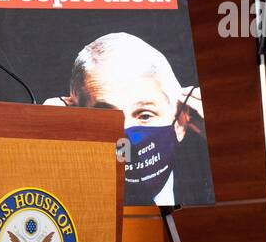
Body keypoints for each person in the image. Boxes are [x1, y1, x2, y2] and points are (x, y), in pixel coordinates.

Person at [45, 32, 208, 206]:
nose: (128, 137)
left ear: (181, 121)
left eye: (145, 115)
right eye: (107, 117)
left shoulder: (204, 183)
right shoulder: (67, 192)